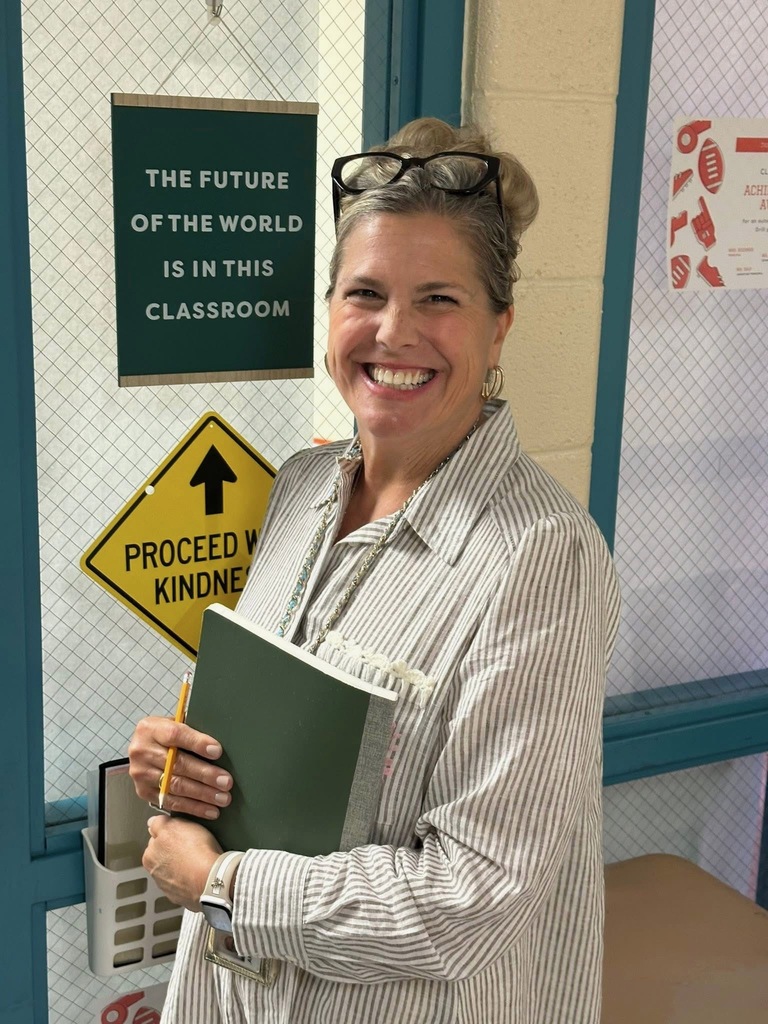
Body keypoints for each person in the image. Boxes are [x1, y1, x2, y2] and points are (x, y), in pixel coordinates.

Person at [129, 117, 620, 1024]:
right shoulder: (302, 488)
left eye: (440, 298)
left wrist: (227, 885)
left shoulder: (541, 557)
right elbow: (281, 740)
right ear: (329, 312)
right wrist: (182, 760)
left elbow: (476, 893)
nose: (394, 334)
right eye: (365, 293)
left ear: (500, 325)